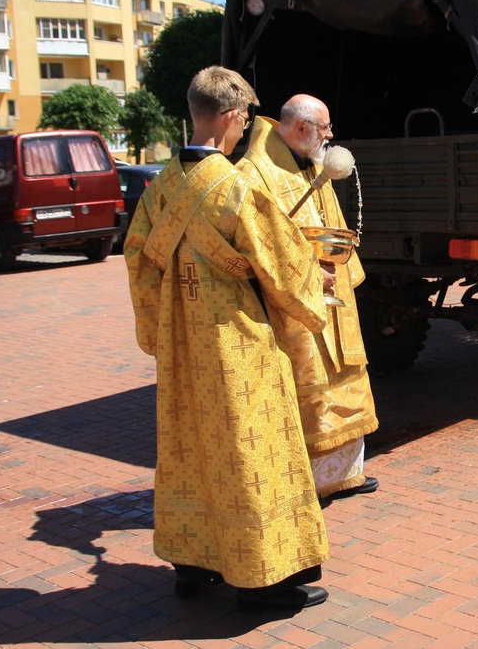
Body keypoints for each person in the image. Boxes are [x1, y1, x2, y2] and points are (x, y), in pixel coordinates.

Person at [123, 66, 333, 612]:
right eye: (245, 121)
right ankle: (262, 580)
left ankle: (194, 566)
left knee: (189, 447)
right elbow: (285, 266)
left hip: (182, 348)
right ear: (236, 116)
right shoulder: (238, 187)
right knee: (254, 447)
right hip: (237, 344)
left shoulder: (159, 188)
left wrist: (157, 331)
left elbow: (139, 264)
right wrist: (319, 281)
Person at [237, 95, 381, 503]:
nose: (331, 135)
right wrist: (308, 273)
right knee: (311, 387)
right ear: (301, 128)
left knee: (346, 378)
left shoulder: (312, 161)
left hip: (332, 291)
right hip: (296, 303)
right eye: (325, 127)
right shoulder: (257, 172)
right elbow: (260, 243)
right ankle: (312, 482)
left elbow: (329, 224)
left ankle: (346, 474)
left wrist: (341, 272)